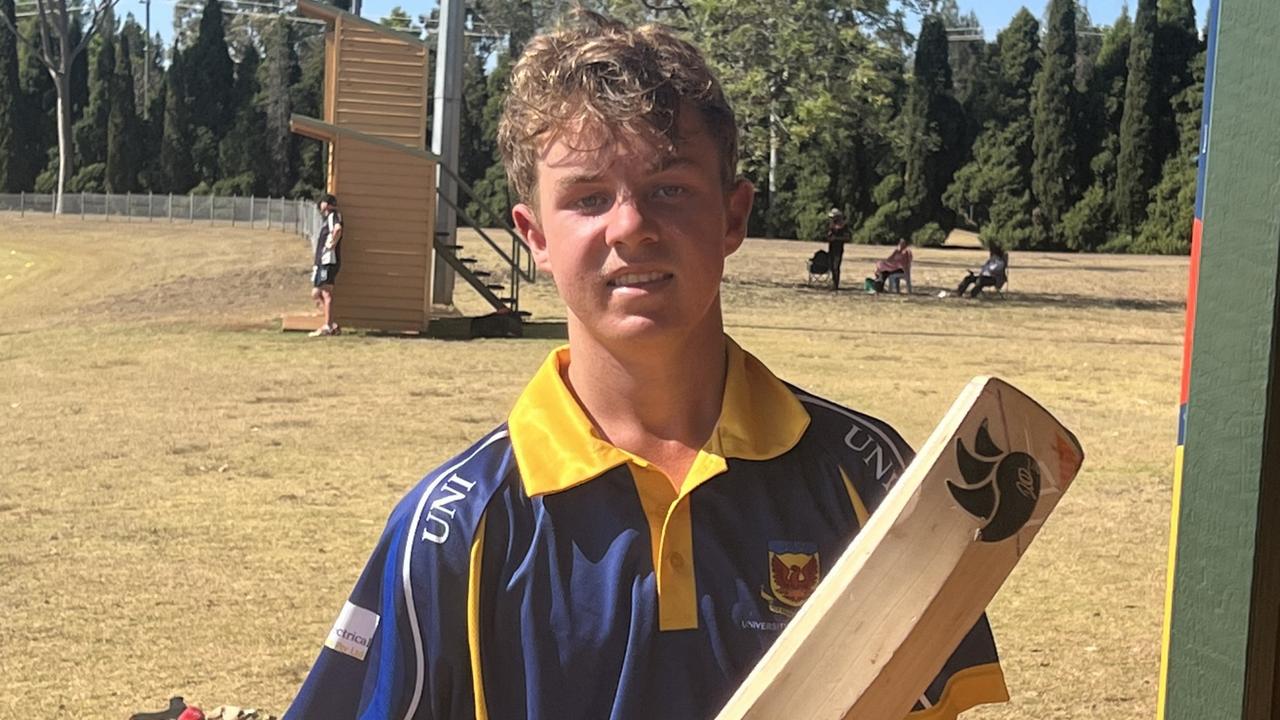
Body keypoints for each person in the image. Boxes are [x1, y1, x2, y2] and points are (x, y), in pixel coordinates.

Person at [282, 11, 1008, 720]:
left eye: (668, 188)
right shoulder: (451, 530)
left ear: (733, 217)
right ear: (534, 235)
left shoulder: (869, 478)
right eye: (589, 197)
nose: (631, 226)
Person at [309, 194, 343, 337]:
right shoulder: (327, 218)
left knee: (326, 293)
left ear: (328, 204)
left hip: (328, 261)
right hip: (321, 263)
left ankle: (328, 327)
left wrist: (331, 245)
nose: (320, 205)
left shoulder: (333, 215)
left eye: (322, 202)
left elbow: (337, 229)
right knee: (316, 293)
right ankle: (332, 323)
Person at [825, 208, 850, 290]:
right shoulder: (831, 225)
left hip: (838, 249)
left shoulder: (844, 226)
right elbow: (828, 235)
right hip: (831, 247)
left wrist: (836, 238)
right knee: (831, 266)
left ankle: (836, 285)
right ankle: (833, 282)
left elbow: (847, 238)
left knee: (836, 267)